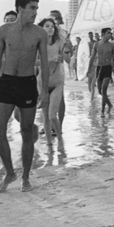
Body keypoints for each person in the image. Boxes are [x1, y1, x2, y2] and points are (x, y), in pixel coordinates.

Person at [0, 0, 49, 193]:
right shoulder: (3, 31)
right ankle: (9, 172)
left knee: (26, 131)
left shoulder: (39, 33)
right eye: (32, 8)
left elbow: (45, 64)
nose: (35, 12)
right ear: (20, 8)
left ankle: (25, 177)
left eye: (36, 8)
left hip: (27, 84)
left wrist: (45, 92)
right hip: (6, 83)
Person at [38, 18, 69, 152]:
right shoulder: (38, 44)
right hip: (42, 83)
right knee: (45, 116)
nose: (50, 28)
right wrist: (51, 59)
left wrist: (66, 50)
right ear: (41, 28)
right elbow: (33, 62)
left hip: (57, 82)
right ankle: (49, 145)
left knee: (52, 115)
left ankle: (60, 138)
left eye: (52, 26)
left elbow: (67, 60)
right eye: (47, 26)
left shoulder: (60, 42)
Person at [89, 28, 114, 117]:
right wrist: (88, 69)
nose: (110, 35)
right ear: (103, 34)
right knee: (99, 91)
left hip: (108, 68)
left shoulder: (113, 45)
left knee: (104, 89)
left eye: (111, 33)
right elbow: (92, 57)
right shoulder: (96, 44)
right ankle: (109, 104)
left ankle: (102, 111)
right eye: (108, 33)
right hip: (99, 68)